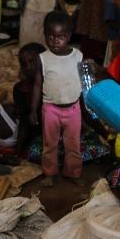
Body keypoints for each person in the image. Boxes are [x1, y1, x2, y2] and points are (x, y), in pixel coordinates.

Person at [31, 11, 84, 186]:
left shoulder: (78, 56)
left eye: (60, 36)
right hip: (50, 109)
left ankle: (73, 172)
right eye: (51, 36)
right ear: (45, 35)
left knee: (73, 144)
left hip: (73, 109)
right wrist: (33, 110)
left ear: (69, 36)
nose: (55, 40)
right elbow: (38, 85)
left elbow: (82, 84)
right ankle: (50, 173)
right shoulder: (43, 59)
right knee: (50, 144)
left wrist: (86, 109)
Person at [13, 42, 47, 158]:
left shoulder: (56, 83)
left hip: (63, 133)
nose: (27, 67)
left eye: (32, 61)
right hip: (40, 137)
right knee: (34, 153)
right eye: (23, 64)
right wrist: (17, 153)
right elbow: (24, 121)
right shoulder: (20, 89)